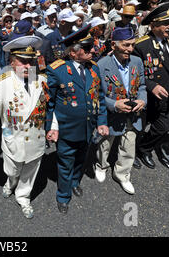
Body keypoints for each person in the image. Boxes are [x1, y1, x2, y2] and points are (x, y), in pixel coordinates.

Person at [0, 36, 57, 219]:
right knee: (12, 169)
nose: (28, 66)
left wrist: (54, 127)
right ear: (12, 62)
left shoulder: (41, 81)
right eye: (23, 61)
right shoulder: (2, 84)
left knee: (30, 171)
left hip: (36, 138)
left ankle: (23, 196)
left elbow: (50, 108)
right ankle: (11, 182)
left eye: (31, 62)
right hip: (12, 137)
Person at [45, 25, 108, 214]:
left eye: (92, 47)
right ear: (73, 53)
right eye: (87, 48)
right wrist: (51, 127)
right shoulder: (56, 70)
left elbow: (100, 97)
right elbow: (49, 103)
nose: (93, 51)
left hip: (88, 126)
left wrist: (102, 121)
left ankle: (74, 182)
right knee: (65, 163)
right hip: (67, 128)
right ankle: (63, 196)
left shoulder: (93, 68)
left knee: (81, 158)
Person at [132, 2, 169, 169]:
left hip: (165, 96)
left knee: (162, 128)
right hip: (145, 97)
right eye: (166, 23)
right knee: (137, 129)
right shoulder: (140, 45)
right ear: (154, 24)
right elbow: (134, 75)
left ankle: (144, 149)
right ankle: (133, 152)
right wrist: (151, 86)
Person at [95, 27, 147, 194]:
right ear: (113, 45)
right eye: (126, 45)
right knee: (105, 143)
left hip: (133, 113)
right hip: (111, 115)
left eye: (132, 45)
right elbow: (96, 95)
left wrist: (142, 100)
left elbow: (142, 86)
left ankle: (122, 174)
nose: (130, 49)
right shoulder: (101, 65)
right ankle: (101, 165)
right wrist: (113, 104)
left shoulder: (137, 61)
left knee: (129, 144)